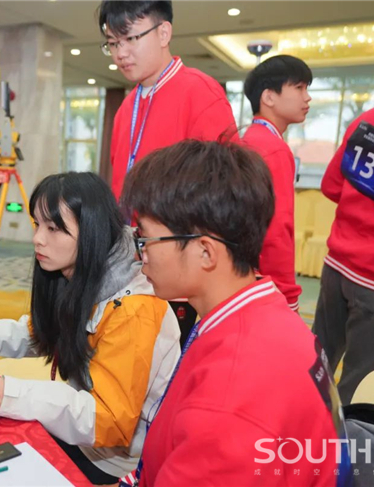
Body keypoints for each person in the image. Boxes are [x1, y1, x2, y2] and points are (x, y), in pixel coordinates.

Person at [0, 172, 181, 484]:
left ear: (91, 232)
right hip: (80, 430)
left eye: (53, 228)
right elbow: (42, 331)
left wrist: (13, 394)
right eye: (37, 224)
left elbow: (108, 420)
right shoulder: (82, 272)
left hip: (109, 458)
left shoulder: (134, 308)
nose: (38, 238)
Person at [118, 140, 351, 487]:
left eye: (146, 239)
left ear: (205, 252)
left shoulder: (230, 395)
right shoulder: (258, 311)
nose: (141, 256)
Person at [99, 0, 238, 339]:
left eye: (130, 39)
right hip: (132, 267)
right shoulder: (127, 106)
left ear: (164, 33)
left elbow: (225, 192)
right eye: (112, 43)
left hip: (181, 276)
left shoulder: (200, 92)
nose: (120, 53)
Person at [313, 95, 374, 405]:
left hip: (337, 269)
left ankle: (295, 431)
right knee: (363, 392)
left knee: (316, 369)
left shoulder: (372, 118)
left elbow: (331, 186)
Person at [242, 55, 312, 312]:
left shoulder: (249, 139)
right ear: (269, 97)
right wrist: (287, 292)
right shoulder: (273, 149)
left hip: (242, 272)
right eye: (299, 88)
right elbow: (276, 229)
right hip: (264, 281)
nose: (307, 98)